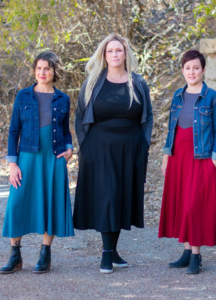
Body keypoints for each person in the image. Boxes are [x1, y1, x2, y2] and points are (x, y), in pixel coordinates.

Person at [74, 33, 153, 274]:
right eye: (110, 51)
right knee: (107, 196)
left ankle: (114, 250)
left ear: (126, 53)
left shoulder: (138, 82)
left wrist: (144, 144)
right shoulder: (93, 82)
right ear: (104, 55)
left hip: (130, 149)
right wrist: (85, 145)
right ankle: (106, 253)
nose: (115, 54)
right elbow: (79, 116)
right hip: (99, 149)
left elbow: (147, 116)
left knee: (119, 199)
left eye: (119, 50)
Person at [0, 51, 74, 274]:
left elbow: (65, 130)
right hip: (27, 158)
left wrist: (70, 148)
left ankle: (45, 254)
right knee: (17, 203)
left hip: (52, 157)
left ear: (54, 72)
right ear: (34, 70)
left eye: (47, 68)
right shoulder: (23, 96)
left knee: (49, 203)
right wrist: (13, 164)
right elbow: (14, 131)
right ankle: (15, 255)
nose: (42, 72)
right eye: (39, 68)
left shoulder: (63, 98)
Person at [158, 50, 216, 275]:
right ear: (182, 71)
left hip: (201, 159)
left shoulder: (214, 97)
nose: (192, 72)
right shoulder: (178, 95)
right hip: (179, 158)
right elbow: (171, 129)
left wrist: (214, 161)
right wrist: (166, 156)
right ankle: (187, 252)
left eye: (196, 68)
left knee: (193, 205)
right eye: (188, 68)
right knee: (182, 204)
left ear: (203, 70)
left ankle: (196, 255)